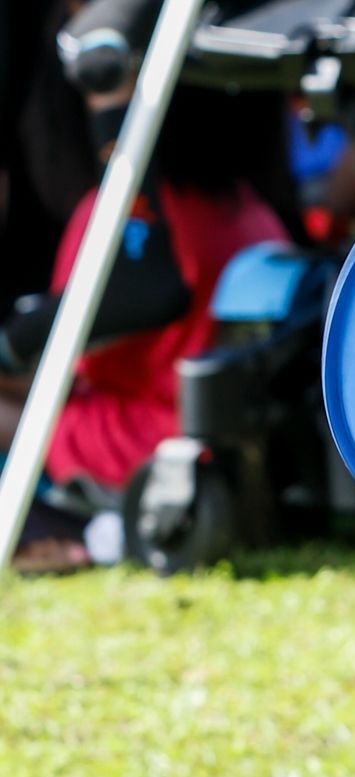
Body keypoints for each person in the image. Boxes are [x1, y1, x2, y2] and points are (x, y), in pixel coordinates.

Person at [0, 64, 297, 560]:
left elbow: (63, 372)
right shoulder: (252, 211)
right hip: (235, 448)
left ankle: (70, 530)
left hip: (148, 444)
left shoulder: (113, 216)